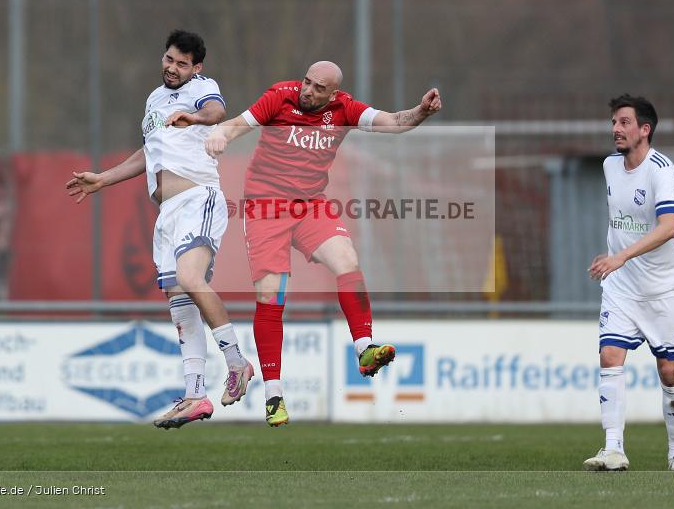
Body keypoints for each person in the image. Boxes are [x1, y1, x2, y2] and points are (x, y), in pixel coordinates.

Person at [205, 61, 441, 426]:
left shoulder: (344, 108)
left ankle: (364, 350)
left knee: (347, 258)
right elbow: (240, 123)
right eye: (307, 82)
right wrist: (221, 134)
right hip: (266, 207)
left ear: (333, 94)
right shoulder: (279, 97)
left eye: (318, 88)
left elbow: (394, 123)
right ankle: (273, 395)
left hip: (310, 205)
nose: (308, 91)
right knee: (271, 296)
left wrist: (422, 111)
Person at [66, 30, 254, 429]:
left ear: (196, 68)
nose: (172, 68)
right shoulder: (154, 100)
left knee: (189, 279)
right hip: (167, 212)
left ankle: (237, 364)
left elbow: (217, 112)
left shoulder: (204, 88)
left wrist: (195, 116)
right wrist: (103, 178)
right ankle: (195, 395)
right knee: (179, 301)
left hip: (197, 199)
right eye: (169, 59)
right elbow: (148, 152)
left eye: (181, 63)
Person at [583, 94, 674, 471]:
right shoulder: (610, 166)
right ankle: (613, 448)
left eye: (624, 122)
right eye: (614, 121)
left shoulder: (662, 170)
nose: (616, 128)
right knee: (610, 357)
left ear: (644, 130)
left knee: (669, 372)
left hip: (661, 291)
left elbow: (669, 226)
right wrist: (619, 263)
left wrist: (622, 256)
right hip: (621, 287)